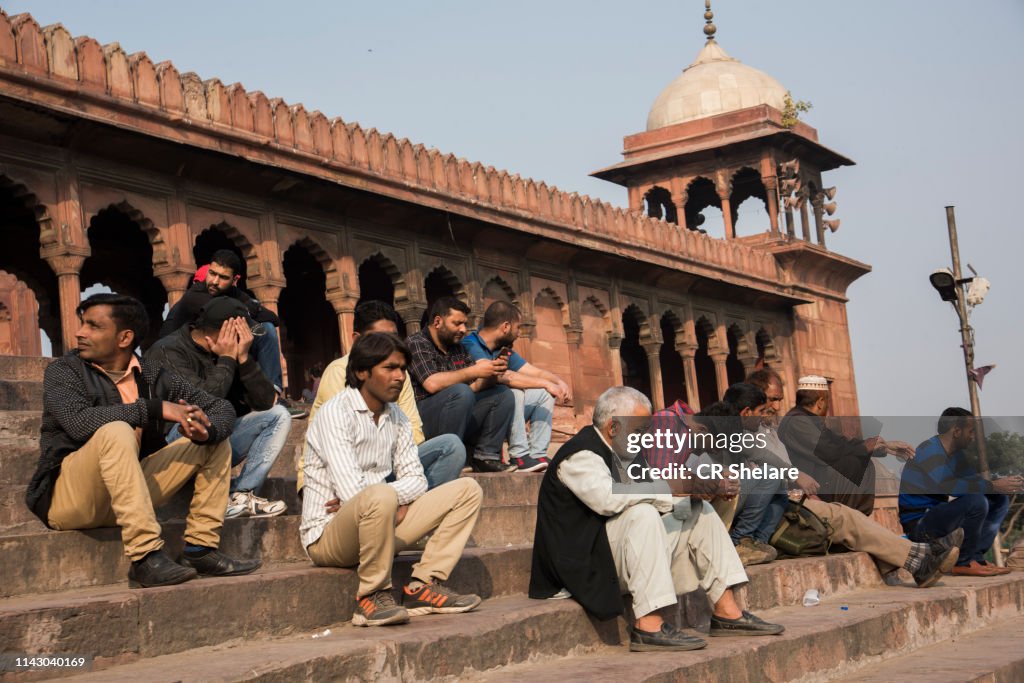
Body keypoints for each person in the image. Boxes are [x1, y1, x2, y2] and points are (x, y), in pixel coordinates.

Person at [25, 293, 260, 588]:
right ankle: (146, 557)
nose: (79, 333)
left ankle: (200, 549)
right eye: (83, 324)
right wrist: (154, 408)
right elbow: (78, 422)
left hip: (124, 496)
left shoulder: (150, 374)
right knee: (116, 429)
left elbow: (219, 407)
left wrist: (206, 431)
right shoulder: (64, 371)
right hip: (68, 500)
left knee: (215, 441)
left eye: (93, 326)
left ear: (125, 338)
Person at [529, 386, 785, 652]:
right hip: (583, 565)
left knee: (700, 512)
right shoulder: (581, 454)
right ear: (614, 427)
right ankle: (648, 625)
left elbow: (658, 490)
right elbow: (608, 499)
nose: (645, 439)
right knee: (643, 514)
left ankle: (727, 613)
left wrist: (693, 490)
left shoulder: (628, 454)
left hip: (617, 553)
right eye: (639, 431)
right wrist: (671, 487)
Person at [300, 332, 484, 626]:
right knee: (380, 497)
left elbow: (417, 480)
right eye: (390, 368)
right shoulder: (335, 413)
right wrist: (384, 499)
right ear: (362, 371)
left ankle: (423, 586)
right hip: (328, 536)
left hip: (380, 523)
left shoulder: (396, 415)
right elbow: (352, 490)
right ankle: (370, 597)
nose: (400, 376)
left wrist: (384, 500)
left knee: (468, 490)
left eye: (402, 368)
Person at [297, 300, 466, 492]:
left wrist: (408, 472)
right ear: (357, 340)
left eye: (393, 338)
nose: (389, 347)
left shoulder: (399, 375)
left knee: (452, 448)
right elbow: (337, 447)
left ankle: (407, 507)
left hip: (386, 468)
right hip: (338, 474)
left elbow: (413, 431)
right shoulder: (339, 371)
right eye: (379, 339)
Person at [145, 297, 290, 519]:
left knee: (278, 415)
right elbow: (205, 403)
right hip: (170, 449)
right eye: (241, 332)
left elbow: (265, 402)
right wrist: (226, 359)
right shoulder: (168, 351)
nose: (247, 338)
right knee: (199, 417)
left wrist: (243, 360)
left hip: (215, 440)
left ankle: (240, 494)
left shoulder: (234, 351)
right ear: (225, 332)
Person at [160, 250, 305, 418]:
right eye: (212, 273)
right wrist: (248, 310)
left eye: (222, 277)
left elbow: (271, 318)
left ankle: (273, 395)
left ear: (235, 280)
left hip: (213, 352)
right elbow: (231, 314)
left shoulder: (233, 294)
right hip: (178, 358)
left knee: (265, 330)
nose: (214, 281)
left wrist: (247, 314)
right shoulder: (195, 296)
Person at [899, 407, 1022, 576]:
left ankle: (976, 558)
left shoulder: (956, 456)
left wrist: (1003, 485)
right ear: (956, 431)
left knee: (998, 499)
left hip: (936, 517)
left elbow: (973, 481)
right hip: (920, 525)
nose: (973, 437)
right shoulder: (929, 450)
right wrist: (992, 486)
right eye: (971, 431)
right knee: (976, 501)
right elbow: (948, 486)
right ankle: (963, 561)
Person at [406, 296, 515, 473]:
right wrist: (474, 371)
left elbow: (473, 388)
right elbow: (431, 383)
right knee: (460, 391)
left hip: (455, 412)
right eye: (457, 323)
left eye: (464, 324)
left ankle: (485, 457)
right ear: (438, 321)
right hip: (424, 420)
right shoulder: (416, 343)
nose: (463, 329)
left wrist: (492, 373)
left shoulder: (458, 348)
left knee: (502, 394)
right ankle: (449, 456)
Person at [777, 375, 914, 515]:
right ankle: (850, 517)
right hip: (810, 486)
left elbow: (840, 442)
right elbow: (828, 451)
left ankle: (854, 518)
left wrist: (885, 446)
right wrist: (864, 447)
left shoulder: (807, 420)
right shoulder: (797, 421)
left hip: (819, 481)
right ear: (820, 402)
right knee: (860, 465)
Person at [462, 301, 571, 472]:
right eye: (518, 327)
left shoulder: (501, 349)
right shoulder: (470, 344)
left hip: (501, 412)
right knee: (513, 392)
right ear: (505, 326)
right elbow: (502, 376)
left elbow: (534, 372)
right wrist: (547, 383)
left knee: (543, 394)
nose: (519, 333)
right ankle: (519, 455)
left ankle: (537, 455)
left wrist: (558, 381)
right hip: (479, 415)